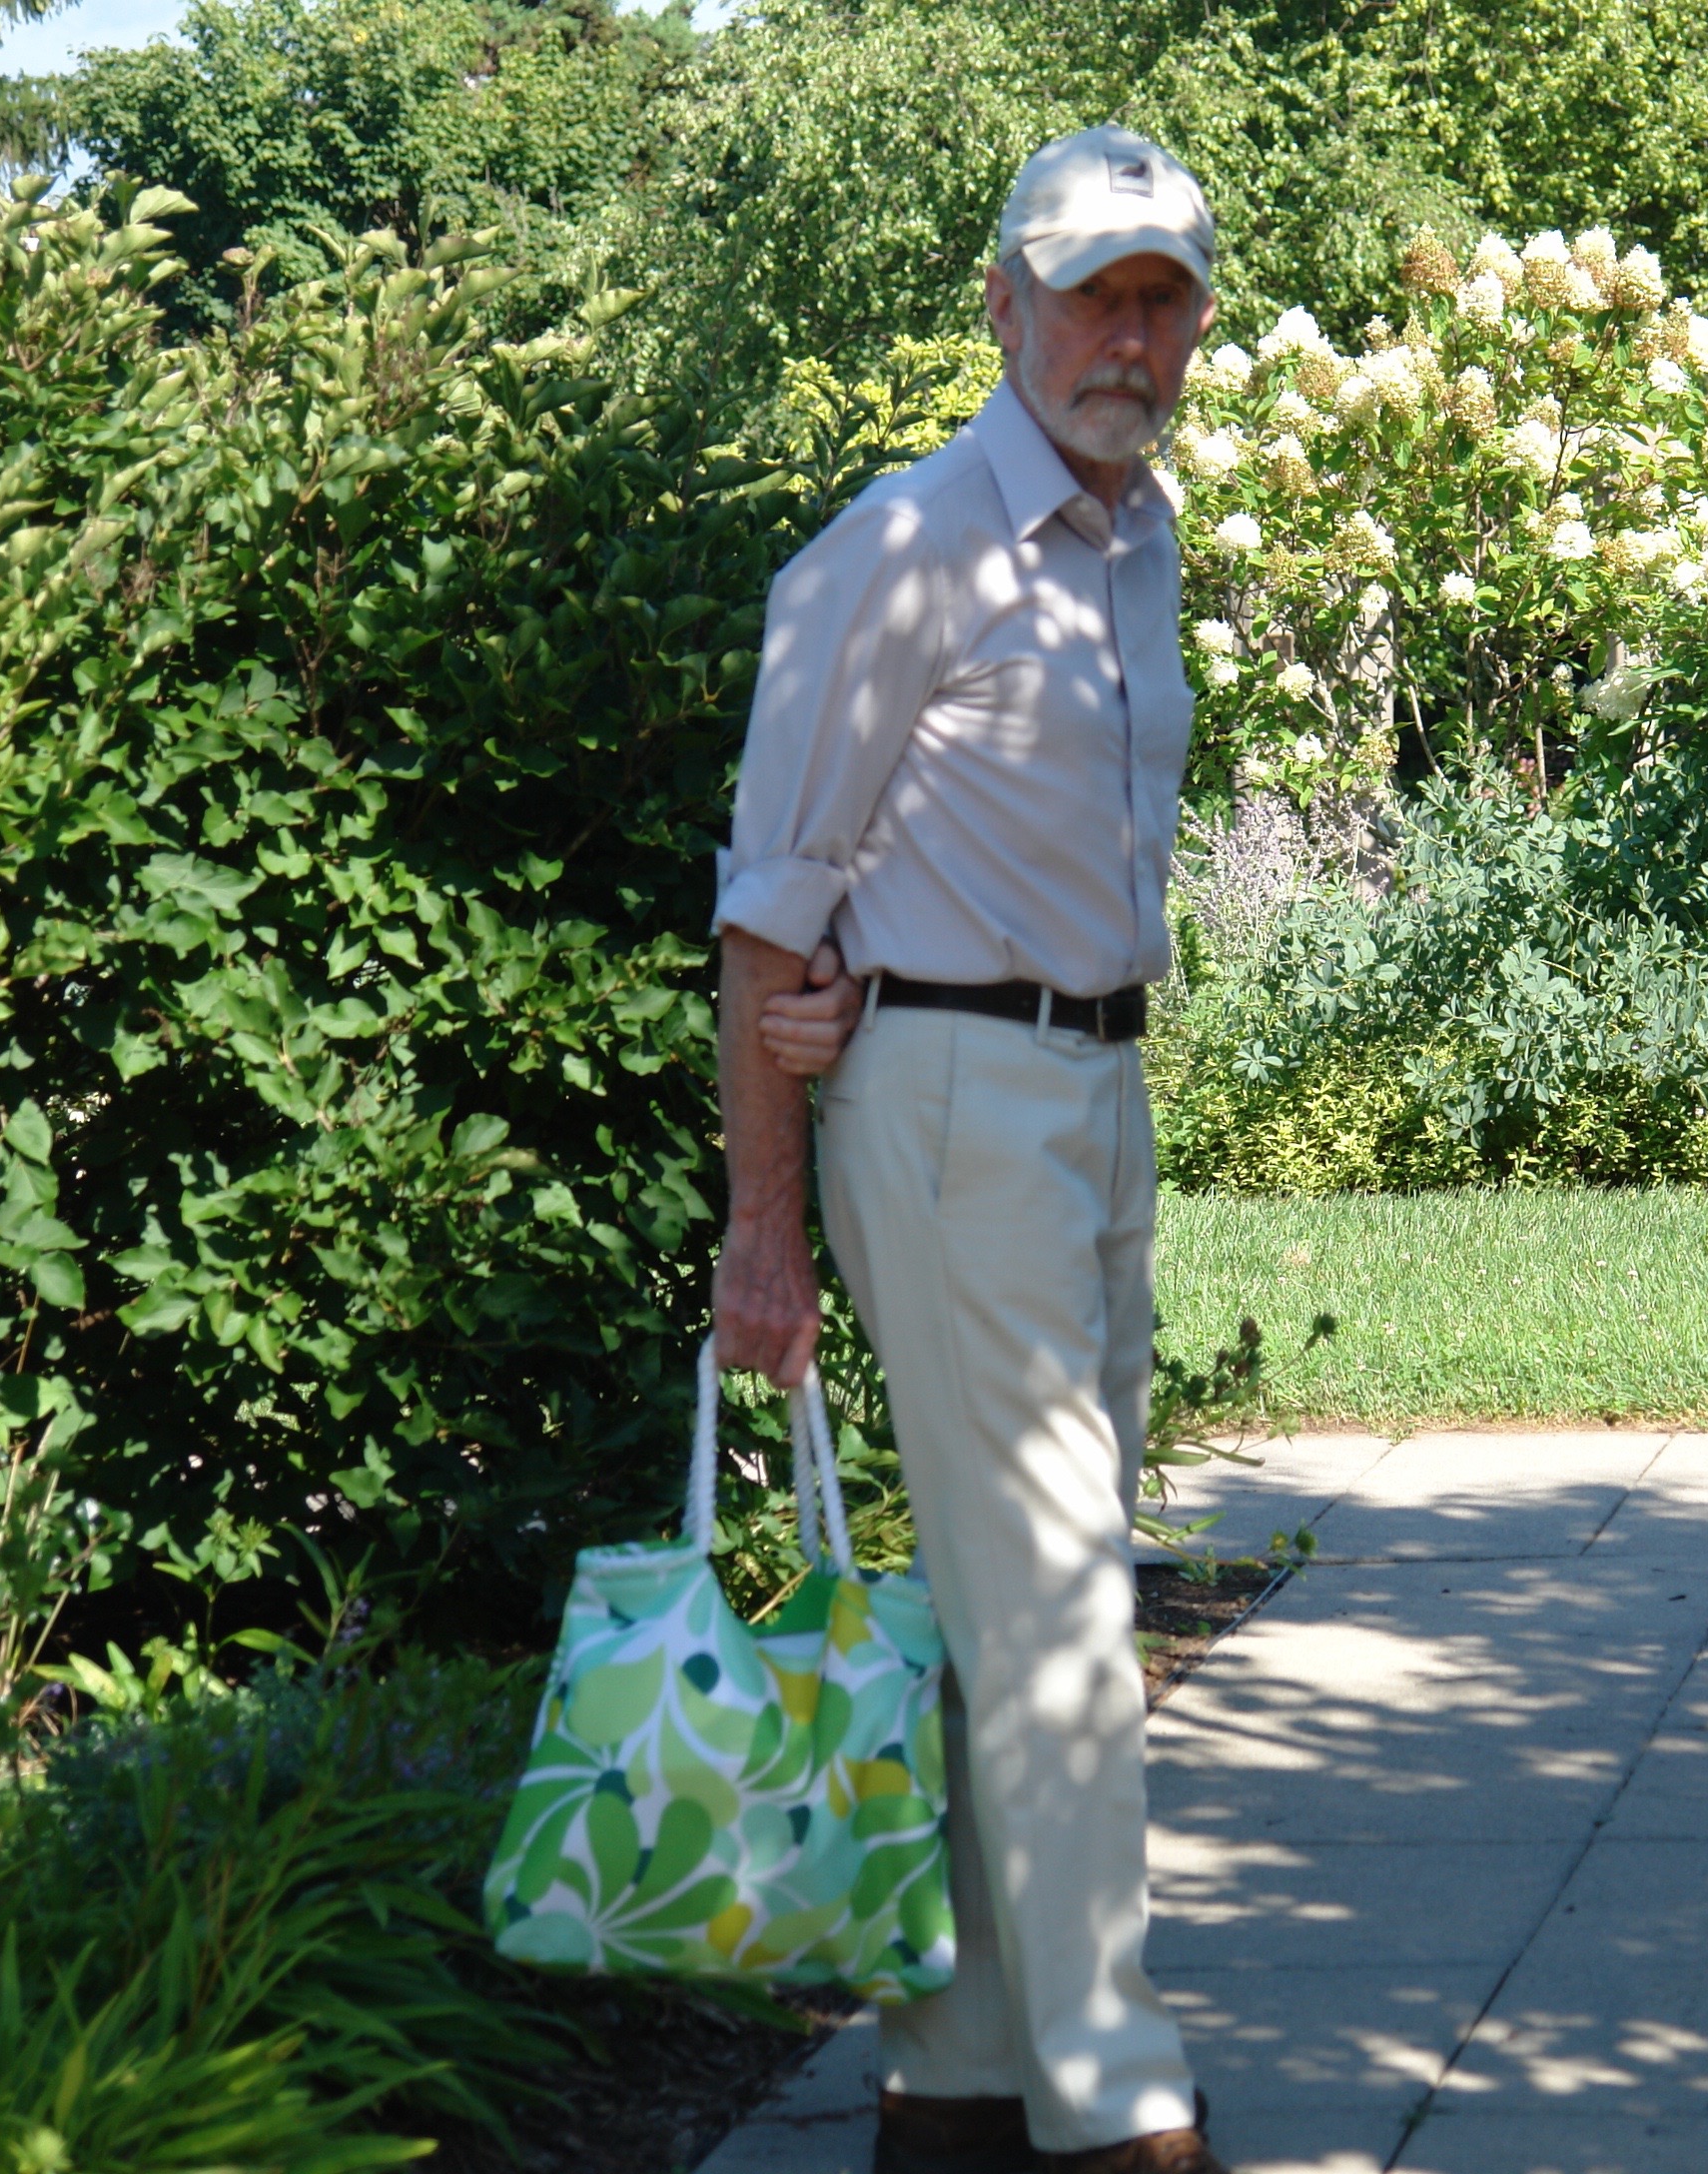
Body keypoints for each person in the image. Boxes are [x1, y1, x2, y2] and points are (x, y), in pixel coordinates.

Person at [707, 124, 1227, 2174]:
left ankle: (961, 2077)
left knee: (1020, 1599)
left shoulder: (1136, 542)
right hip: (944, 1102)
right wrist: (765, 1228)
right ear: (1006, 305)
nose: (1128, 338)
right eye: (1094, 296)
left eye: (1162, 300)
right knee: (1065, 1610)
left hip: (1096, 1093)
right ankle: (1118, 2106)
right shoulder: (905, 549)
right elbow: (771, 909)